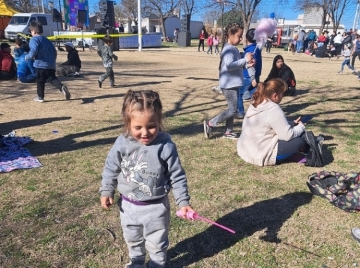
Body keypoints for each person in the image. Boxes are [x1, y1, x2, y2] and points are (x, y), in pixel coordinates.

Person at [100, 89, 194, 268]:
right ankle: (136, 263)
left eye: (151, 126)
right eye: (137, 127)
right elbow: (111, 167)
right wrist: (106, 190)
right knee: (133, 240)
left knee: (157, 244)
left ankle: (157, 264)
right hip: (127, 207)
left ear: (159, 121)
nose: (145, 133)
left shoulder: (165, 146)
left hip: (156, 209)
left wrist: (183, 202)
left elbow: (177, 175)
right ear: (127, 124)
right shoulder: (122, 142)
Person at [237, 78, 307, 166]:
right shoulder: (273, 109)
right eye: (282, 94)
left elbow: (270, 123)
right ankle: (285, 156)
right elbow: (287, 135)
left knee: (295, 136)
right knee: (299, 142)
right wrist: (301, 127)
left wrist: (292, 123)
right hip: (260, 154)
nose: (282, 97)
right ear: (275, 95)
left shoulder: (257, 102)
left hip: (245, 149)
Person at [203, 22, 255, 139]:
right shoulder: (228, 49)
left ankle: (228, 131)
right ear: (230, 35)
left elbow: (237, 66)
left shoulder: (234, 49)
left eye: (241, 36)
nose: (241, 38)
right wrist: (245, 60)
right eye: (239, 36)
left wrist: (248, 64)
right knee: (232, 110)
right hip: (229, 85)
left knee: (233, 109)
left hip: (234, 83)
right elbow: (230, 65)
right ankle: (210, 124)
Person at [25, 21, 71, 102]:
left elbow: (34, 50)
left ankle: (40, 97)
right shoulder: (47, 40)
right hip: (50, 64)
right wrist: (53, 60)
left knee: (40, 81)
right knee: (52, 78)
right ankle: (61, 87)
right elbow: (54, 51)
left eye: (30, 31)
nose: (31, 33)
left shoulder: (34, 40)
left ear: (34, 31)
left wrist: (28, 56)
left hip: (40, 64)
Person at [236, 28, 261, 118]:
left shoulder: (251, 51)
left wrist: (253, 78)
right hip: (254, 77)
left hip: (248, 77)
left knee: (238, 93)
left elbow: (251, 66)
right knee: (255, 95)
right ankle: (259, 111)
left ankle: (240, 112)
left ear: (246, 38)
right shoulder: (256, 48)